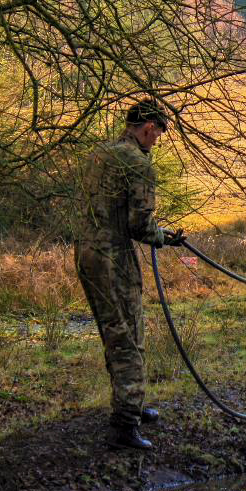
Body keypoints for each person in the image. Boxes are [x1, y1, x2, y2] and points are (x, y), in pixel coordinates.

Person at [75, 99, 185, 451]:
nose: (156, 141)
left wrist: (156, 232)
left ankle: (131, 404)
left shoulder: (100, 154)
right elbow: (138, 224)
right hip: (113, 257)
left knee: (114, 330)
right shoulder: (138, 164)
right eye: (158, 134)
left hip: (87, 252)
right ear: (149, 127)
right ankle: (125, 424)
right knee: (127, 336)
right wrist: (161, 237)